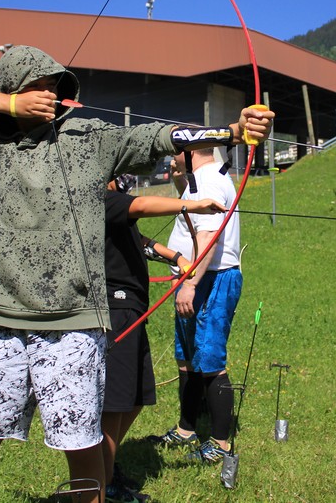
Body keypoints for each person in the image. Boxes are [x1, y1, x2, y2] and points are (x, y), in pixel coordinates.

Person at [0, 45, 273, 503]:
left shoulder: (86, 140)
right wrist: (3, 105)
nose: (47, 95)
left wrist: (232, 131)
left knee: (84, 451)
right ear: (9, 88)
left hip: (73, 325)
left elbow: (158, 137)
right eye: (36, 86)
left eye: (53, 87)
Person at [101, 173, 226, 503]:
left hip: (132, 310)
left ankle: (105, 465)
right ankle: (103, 482)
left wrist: (177, 257)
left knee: (136, 399)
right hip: (115, 311)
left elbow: (138, 240)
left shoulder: (115, 209)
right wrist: (193, 203)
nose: (122, 177)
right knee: (114, 406)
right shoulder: (100, 198)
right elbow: (141, 205)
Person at [149, 147, 243, 464]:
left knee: (210, 359)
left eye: (175, 150)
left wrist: (189, 283)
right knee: (187, 358)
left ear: (189, 153)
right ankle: (187, 429)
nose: (169, 155)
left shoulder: (208, 180)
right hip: (199, 279)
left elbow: (208, 235)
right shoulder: (201, 176)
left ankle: (220, 444)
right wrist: (181, 179)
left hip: (210, 280)